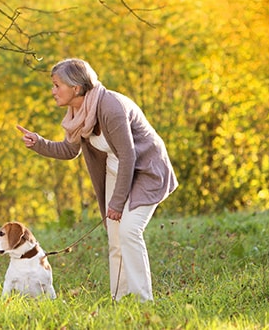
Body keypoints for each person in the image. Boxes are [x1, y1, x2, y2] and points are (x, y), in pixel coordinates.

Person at [17, 58, 178, 302]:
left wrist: (117, 202)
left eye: (57, 85)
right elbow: (70, 150)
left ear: (76, 88)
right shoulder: (79, 112)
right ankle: (120, 298)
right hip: (117, 171)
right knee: (115, 238)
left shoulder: (110, 107)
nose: (52, 91)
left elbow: (128, 155)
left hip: (145, 170)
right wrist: (38, 143)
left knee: (129, 230)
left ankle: (143, 300)